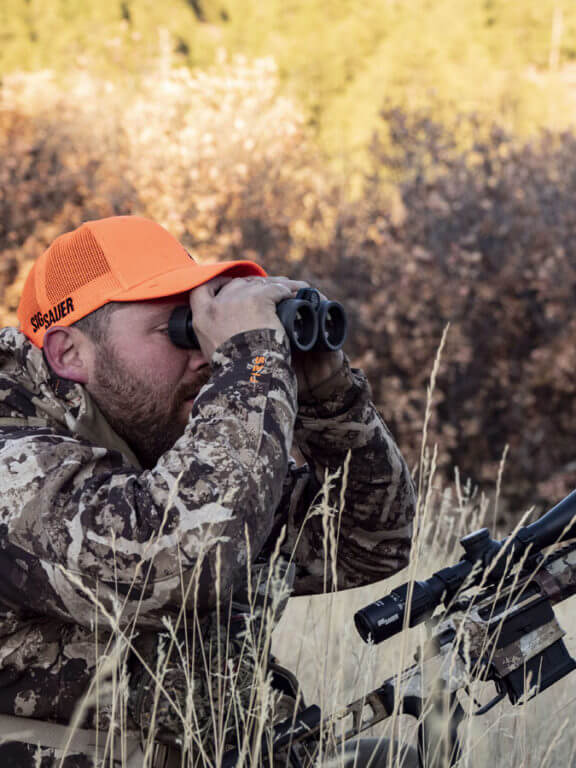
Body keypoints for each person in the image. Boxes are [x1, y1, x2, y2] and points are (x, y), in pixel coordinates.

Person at [0, 216, 417, 767]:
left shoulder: (158, 452)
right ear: (68, 353)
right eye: (177, 328)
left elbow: (368, 541)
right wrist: (251, 364)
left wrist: (325, 394)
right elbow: (187, 558)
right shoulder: (16, 468)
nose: (203, 354)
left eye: (204, 326)